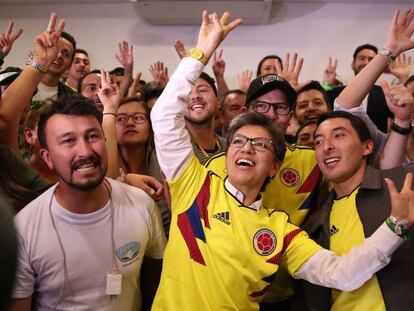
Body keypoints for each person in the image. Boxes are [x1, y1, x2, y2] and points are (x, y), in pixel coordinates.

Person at [150, 10, 414, 311]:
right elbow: (163, 116)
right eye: (238, 141)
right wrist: (201, 53)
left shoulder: (280, 230)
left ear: (276, 165)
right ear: (227, 152)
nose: (246, 149)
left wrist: (396, 227)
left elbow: (340, 272)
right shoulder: (195, 184)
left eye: (260, 144)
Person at [300, 112, 414, 311]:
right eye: (318, 142)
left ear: (367, 147)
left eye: (339, 135)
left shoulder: (403, 183)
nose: (326, 146)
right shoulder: (314, 225)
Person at [326, 44, 393, 133]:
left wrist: (402, 78)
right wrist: (326, 85)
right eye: (362, 58)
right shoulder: (335, 92)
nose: (366, 63)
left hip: (377, 145)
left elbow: (403, 114)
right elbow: (321, 113)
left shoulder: (384, 92)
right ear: (353, 64)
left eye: (371, 60)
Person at [31, 31, 76, 102]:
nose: (59, 55)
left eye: (66, 54)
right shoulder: (14, 79)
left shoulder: (73, 98)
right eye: (54, 49)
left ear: (70, 65)